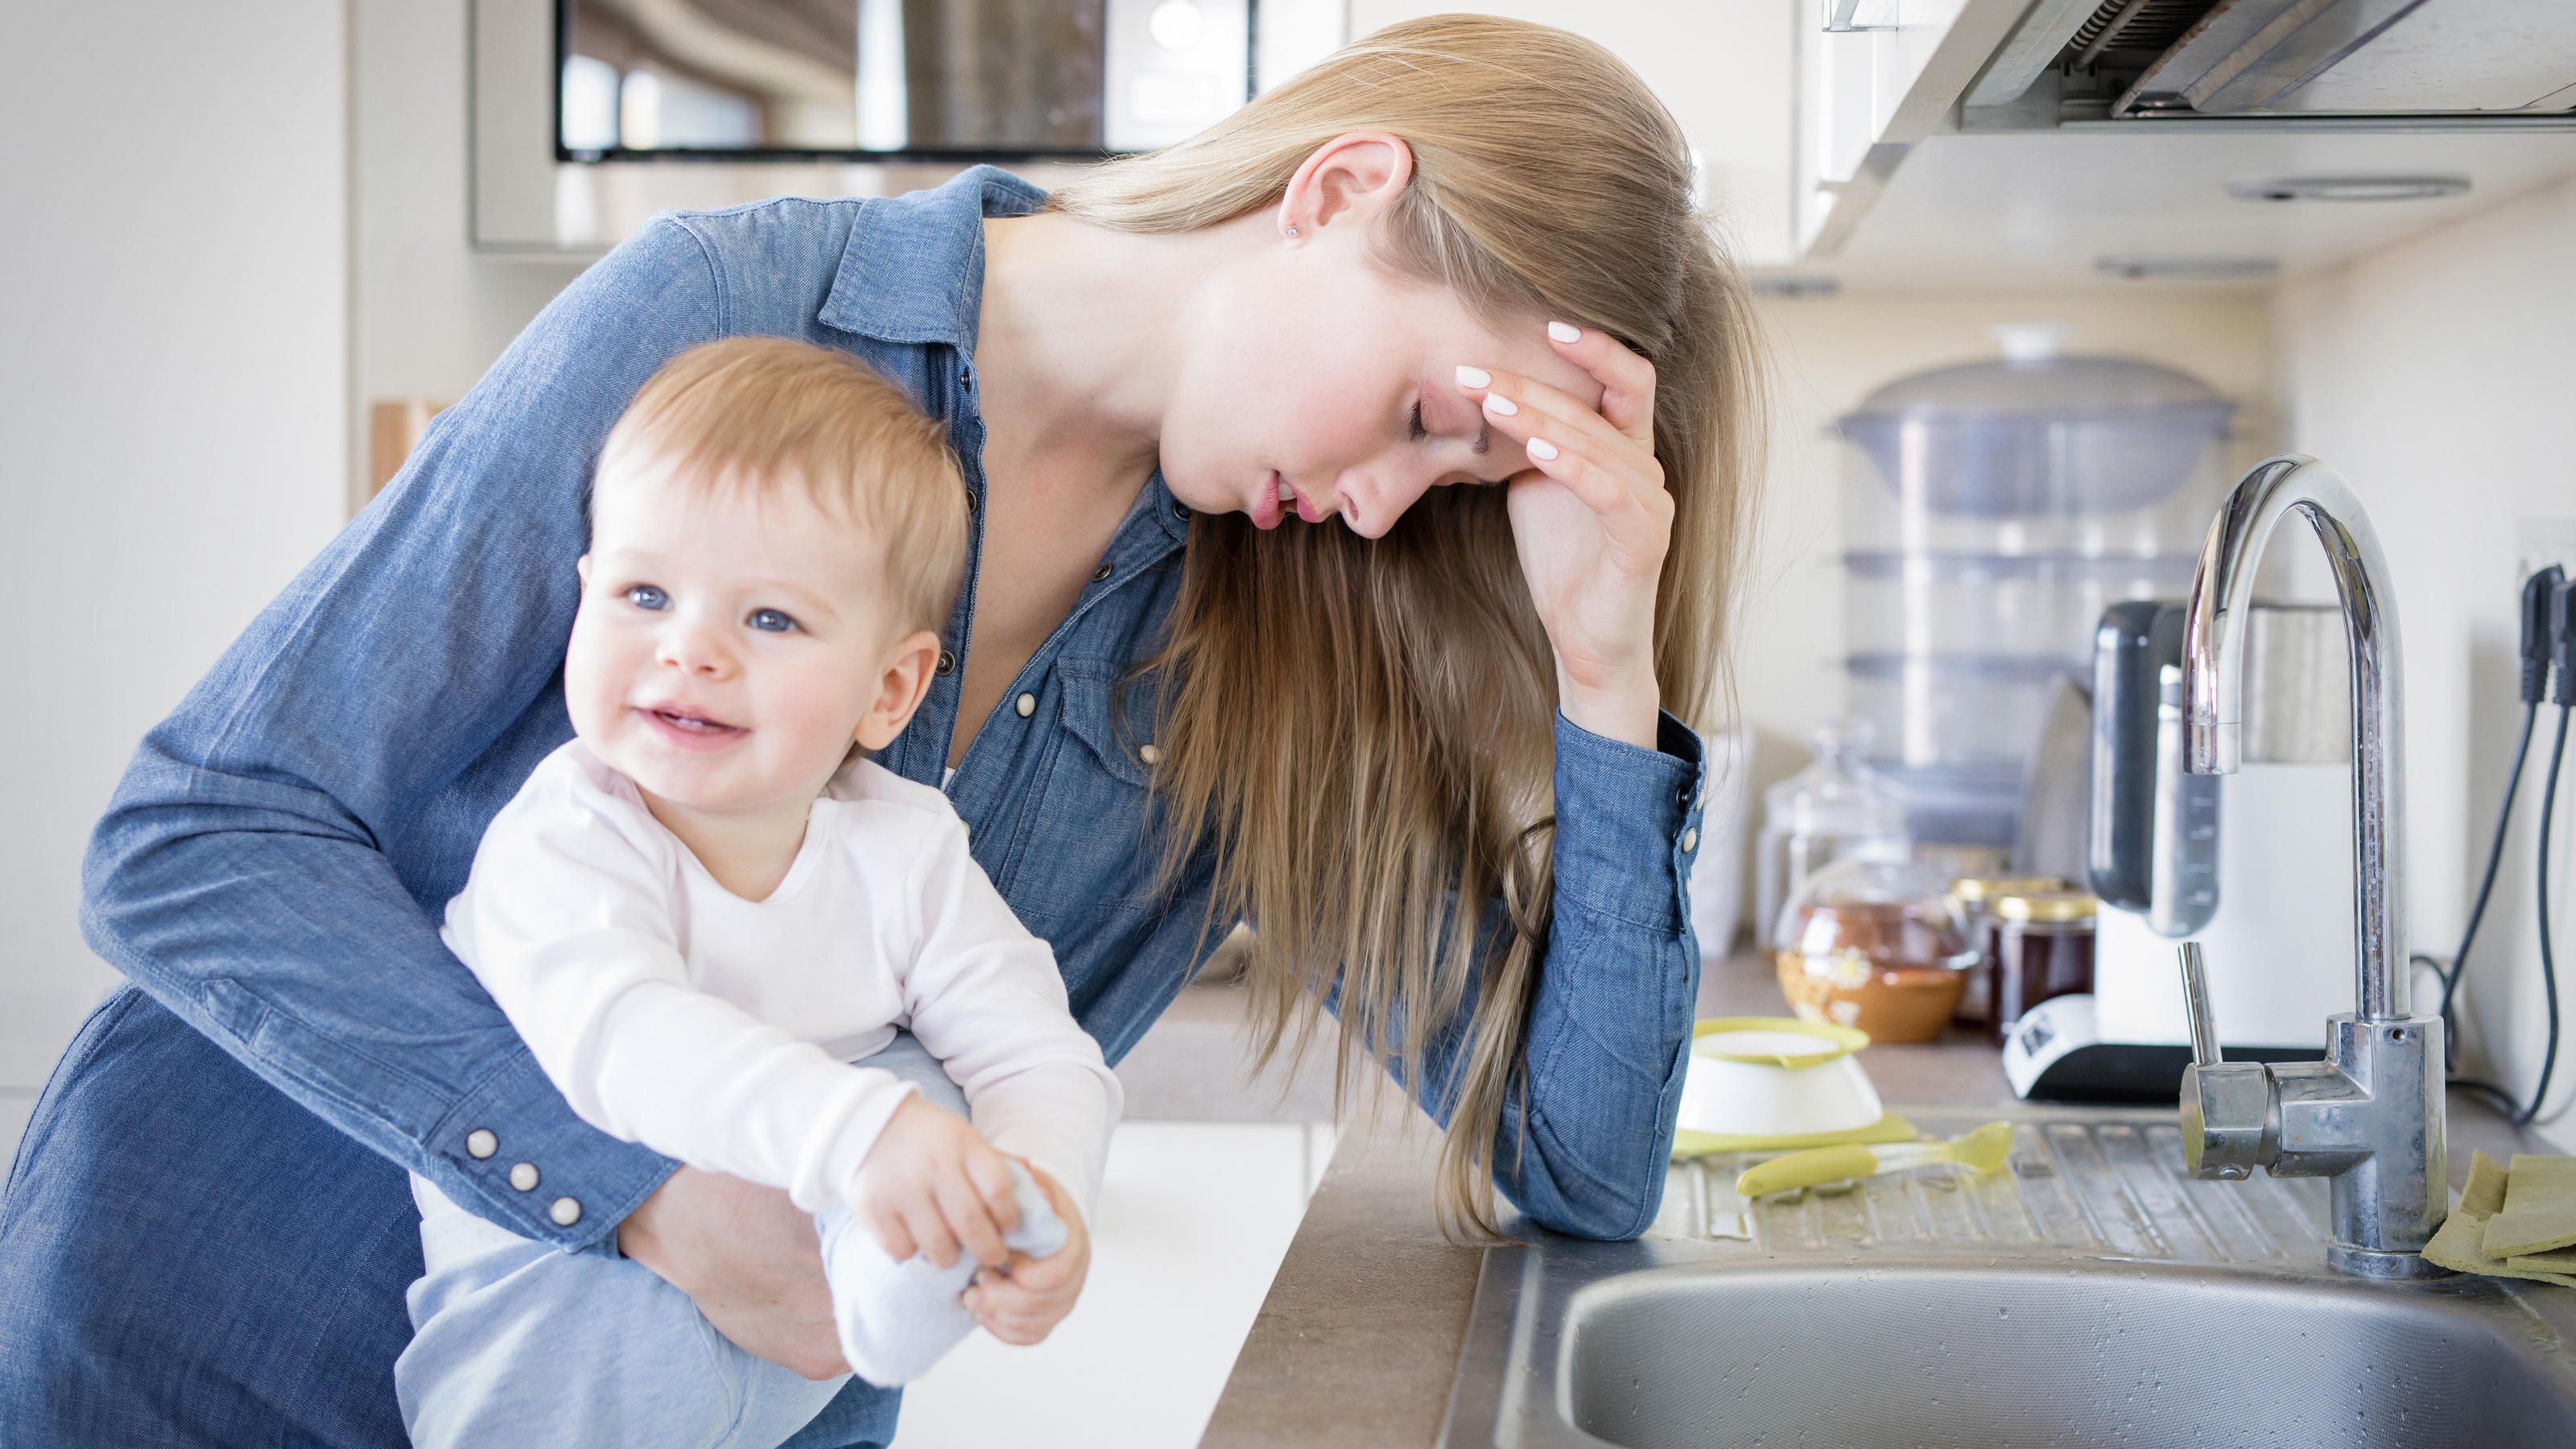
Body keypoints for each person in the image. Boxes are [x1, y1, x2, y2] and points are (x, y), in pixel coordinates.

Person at [0, 16, 1767, 1448]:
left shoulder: (1287, 639)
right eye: (1411, 419)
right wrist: (642, 1199)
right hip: (207, 1331)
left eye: (1452, 480)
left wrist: (1602, 672)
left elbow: (1579, 1174)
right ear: (1339, 189)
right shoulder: (725, 311)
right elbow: (198, 838)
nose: (1387, 511)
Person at [394, 336, 1120, 1447]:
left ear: (888, 691)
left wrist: (1039, 1200)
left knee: (947, 1083)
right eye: (645, 594)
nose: (689, 649)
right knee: (902, 1100)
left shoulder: (904, 851)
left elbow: (1039, 1051)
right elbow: (624, 1040)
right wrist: (865, 1137)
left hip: (791, 1380)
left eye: (768, 619)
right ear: (585, 599)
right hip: (563, 1357)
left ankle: (900, 1268)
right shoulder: (567, 836)